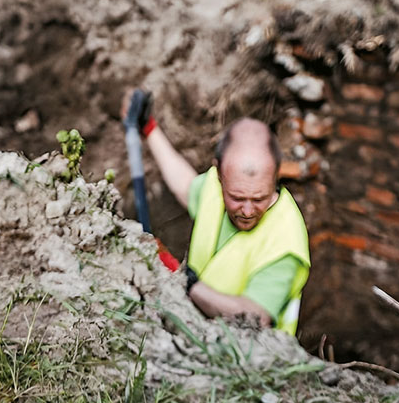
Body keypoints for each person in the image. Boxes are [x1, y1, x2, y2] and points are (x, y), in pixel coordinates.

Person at [125, 90, 309, 333]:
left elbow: (256, 316)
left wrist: (186, 283)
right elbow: (187, 187)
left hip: (244, 360)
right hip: (197, 332)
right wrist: (149, 129)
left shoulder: (285, 244)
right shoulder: (214, 185)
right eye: (236, 198)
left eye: (259, 198)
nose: (247, 210)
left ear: (276, 177)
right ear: (219, 174)